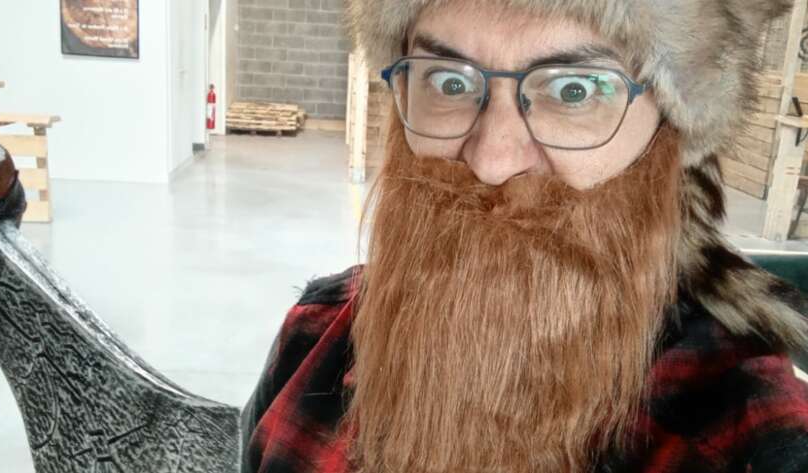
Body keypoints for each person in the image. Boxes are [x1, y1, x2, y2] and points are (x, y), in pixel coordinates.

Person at [248, 0, 808, 471]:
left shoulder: (746, 430)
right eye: (448, 81)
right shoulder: (312, 336)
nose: (492, 160)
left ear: (669, 129)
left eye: (574, 91)